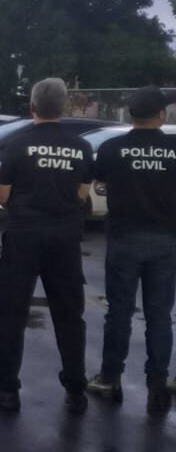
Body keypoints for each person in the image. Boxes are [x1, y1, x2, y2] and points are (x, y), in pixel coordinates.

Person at [0, 78, 94, 414]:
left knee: (12, 313)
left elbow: (1, 195)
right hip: (65, 240)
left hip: (24, 236)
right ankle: (76, 389)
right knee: (70, 316)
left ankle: (6, 388)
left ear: (32, 107)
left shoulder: (18, 144)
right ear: (64, 107)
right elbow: (83, 194)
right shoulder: (81, 147)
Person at [87, 86, 176, 414]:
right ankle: (158, 381)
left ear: (130, 115)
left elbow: (97, 182)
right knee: (160, 315)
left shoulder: (112, 149)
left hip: (124, 239)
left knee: (119, 313)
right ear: (161, 115)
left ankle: (110, 378)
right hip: (167, 241)